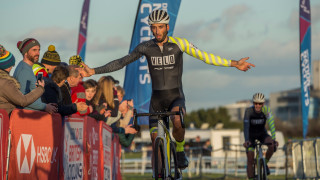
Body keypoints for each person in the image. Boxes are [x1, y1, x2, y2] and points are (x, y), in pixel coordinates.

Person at [79, 9, 255, 169]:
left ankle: (179, 151)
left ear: (167, 27)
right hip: (156, 100)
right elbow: (121, 62)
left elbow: (206, 57)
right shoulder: (146, 47)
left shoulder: (180, 44)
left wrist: (234, 64)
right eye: (153, 28)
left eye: (160, 27)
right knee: (156, 140)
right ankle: (160, 170)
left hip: (175, 97)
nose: (157, 31)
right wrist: (94, 71)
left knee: (177, 121)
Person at [14, 38, 57, 114]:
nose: (38, 53)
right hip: (25, 118)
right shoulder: (24, 70)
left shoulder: (27, 68)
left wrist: (45, 105)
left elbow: (32, 97)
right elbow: (22, 99)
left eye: (38, 50)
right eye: (34, 50)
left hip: (30, 116)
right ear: (25, 53)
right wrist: (45, 107)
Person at [0, 45, 45, 115]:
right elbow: (23, 101)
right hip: (6, 121)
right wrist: (40, 88)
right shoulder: (5, 83)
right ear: (8, 65)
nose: (12, 67)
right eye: (12, 64)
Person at [243, 93, 278, 179]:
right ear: (253, 103)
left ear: (263, 104)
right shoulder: (248, 111)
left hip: (262, 133)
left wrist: (273, 139)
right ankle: (251, 178)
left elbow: (271, 123)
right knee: (250, 158)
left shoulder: (266, 110)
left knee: (272, 145)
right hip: (251, 136)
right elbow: (246, 127)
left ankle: (264, 163)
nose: (258, 105)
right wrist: (247, 140)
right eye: (255, 103)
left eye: (260, 103)